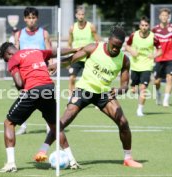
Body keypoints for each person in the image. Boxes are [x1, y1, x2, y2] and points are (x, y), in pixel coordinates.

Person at [46, 26, 143, 168]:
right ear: (108, 41)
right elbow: (71, 59)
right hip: (84, 90)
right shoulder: (93, 48)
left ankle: (128, 158)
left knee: (123, 122)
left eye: (119, 47)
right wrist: (57, 64)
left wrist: (119, 90)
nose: (115, 49)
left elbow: (124, 86)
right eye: (113, 46)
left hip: (103, 94)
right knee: (65, 120)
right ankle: (43, 149)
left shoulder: (124, 60)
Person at [0, 42, 79, 172]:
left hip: (33, 90)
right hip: (49, 88)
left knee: (9, 123)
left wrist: (21, 87)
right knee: (55, 126)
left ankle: (11, 163)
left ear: (8, 54)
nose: (8, 61)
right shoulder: (36, 51)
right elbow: (56, 51)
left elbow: (19, 83)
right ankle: (72, 160)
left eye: (7, 59)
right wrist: (74, 49)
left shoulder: (14, 58)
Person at [14, 7, 53, 135]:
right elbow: (15, 55)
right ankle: (23, 126)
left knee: (46, 99)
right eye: (29, 18)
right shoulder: (19, 34)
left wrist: (52, 67)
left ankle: (49, 126)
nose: (31, 20)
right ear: (25, 19)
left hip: (41, 73)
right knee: (23, 99)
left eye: (33, 17)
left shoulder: (44, 34)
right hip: (25, 75)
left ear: (37, 18)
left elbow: (50, 52)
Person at [125, 16, 162, 116]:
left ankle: (139, 110)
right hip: (135, 66)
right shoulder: (134, 35)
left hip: (147, 66)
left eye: (146, 25)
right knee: (133, 90)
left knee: (143, 88)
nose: (144, 27)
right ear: (139, 26)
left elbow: (160, 50)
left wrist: (154, 55)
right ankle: (134, 88)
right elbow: (127, 46)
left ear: (149, 26)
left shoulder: (153, 36)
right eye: (142, 25)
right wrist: (131, 50)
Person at [68, 6, 99, 100]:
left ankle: (96, 99)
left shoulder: (91, 26)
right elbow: (69, 44)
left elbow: (97, 41)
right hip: (77, 57)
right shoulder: (72, 28)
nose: (81, 16)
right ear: (76, 15)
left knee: (94, 79)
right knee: (72, 78)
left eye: (82, 14)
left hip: (89, 57)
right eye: (79, 14)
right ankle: (71, 98)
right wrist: (69, 57)